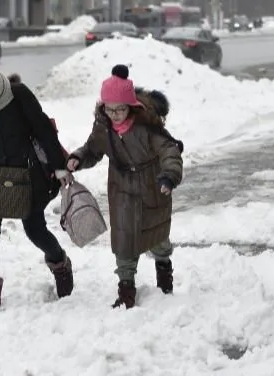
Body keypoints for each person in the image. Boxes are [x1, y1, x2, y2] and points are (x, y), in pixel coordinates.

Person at [0, 41, 74, 319]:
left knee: (34, 230)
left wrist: (59, 167)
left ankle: (59, 262)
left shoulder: (17, 95)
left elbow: (44, 130)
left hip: (27, 173)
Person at [66, 65, 183, 309]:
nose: (115, 114)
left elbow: (169, 150)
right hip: (121, 189)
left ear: (131, 106)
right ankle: (126, 289)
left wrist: (169, 176)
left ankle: (164, 274)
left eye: (120, 109)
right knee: (123, 239)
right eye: (110, 109)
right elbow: (92, 149)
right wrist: (78, 157)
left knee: (157, 236)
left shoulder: (146, 127)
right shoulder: (103, 127)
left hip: (152, 185)